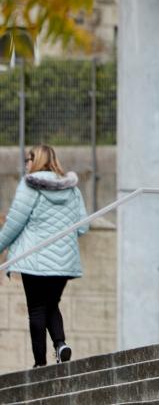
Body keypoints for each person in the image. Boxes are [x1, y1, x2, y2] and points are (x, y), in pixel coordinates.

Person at [0, 145, 88, 367]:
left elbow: (14, 223)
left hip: (34, 259)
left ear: (36, 160)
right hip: (64, 261)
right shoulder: (72, 189)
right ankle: (60, 345)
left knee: (37, 308)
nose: (26, 164)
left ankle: (40, 364)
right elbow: (83, 227)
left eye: (28, 159)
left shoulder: (29, 186)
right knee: (52, 304)